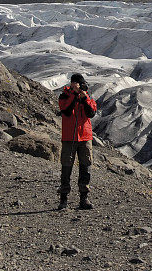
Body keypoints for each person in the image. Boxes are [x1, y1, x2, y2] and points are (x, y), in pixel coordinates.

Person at [57, 73, 97, 210]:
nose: (79, 87)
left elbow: (91, 113)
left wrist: (84, 98)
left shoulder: (87, 98)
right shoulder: (64, 96)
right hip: (69, 138)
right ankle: (63, 199)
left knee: (85, 167)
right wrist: (74, 96)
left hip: (85, 137)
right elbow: (66, 111)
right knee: (66, 167)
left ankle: (84, 198)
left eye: (81, 85)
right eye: (77, 85)